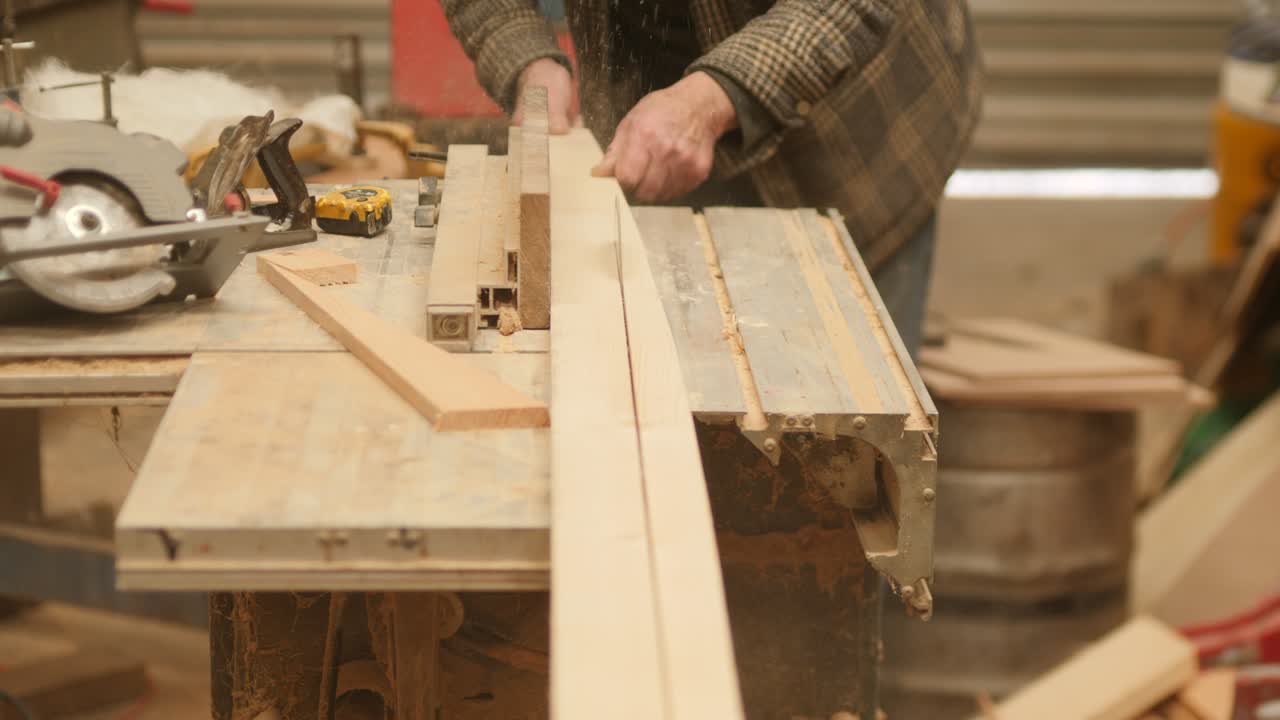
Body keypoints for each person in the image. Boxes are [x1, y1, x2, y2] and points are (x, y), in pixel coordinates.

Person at [441, 0, 983, 355]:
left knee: (844, 413)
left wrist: (708, 101)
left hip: (852, 140)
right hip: (653, 111)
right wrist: (526, 57)